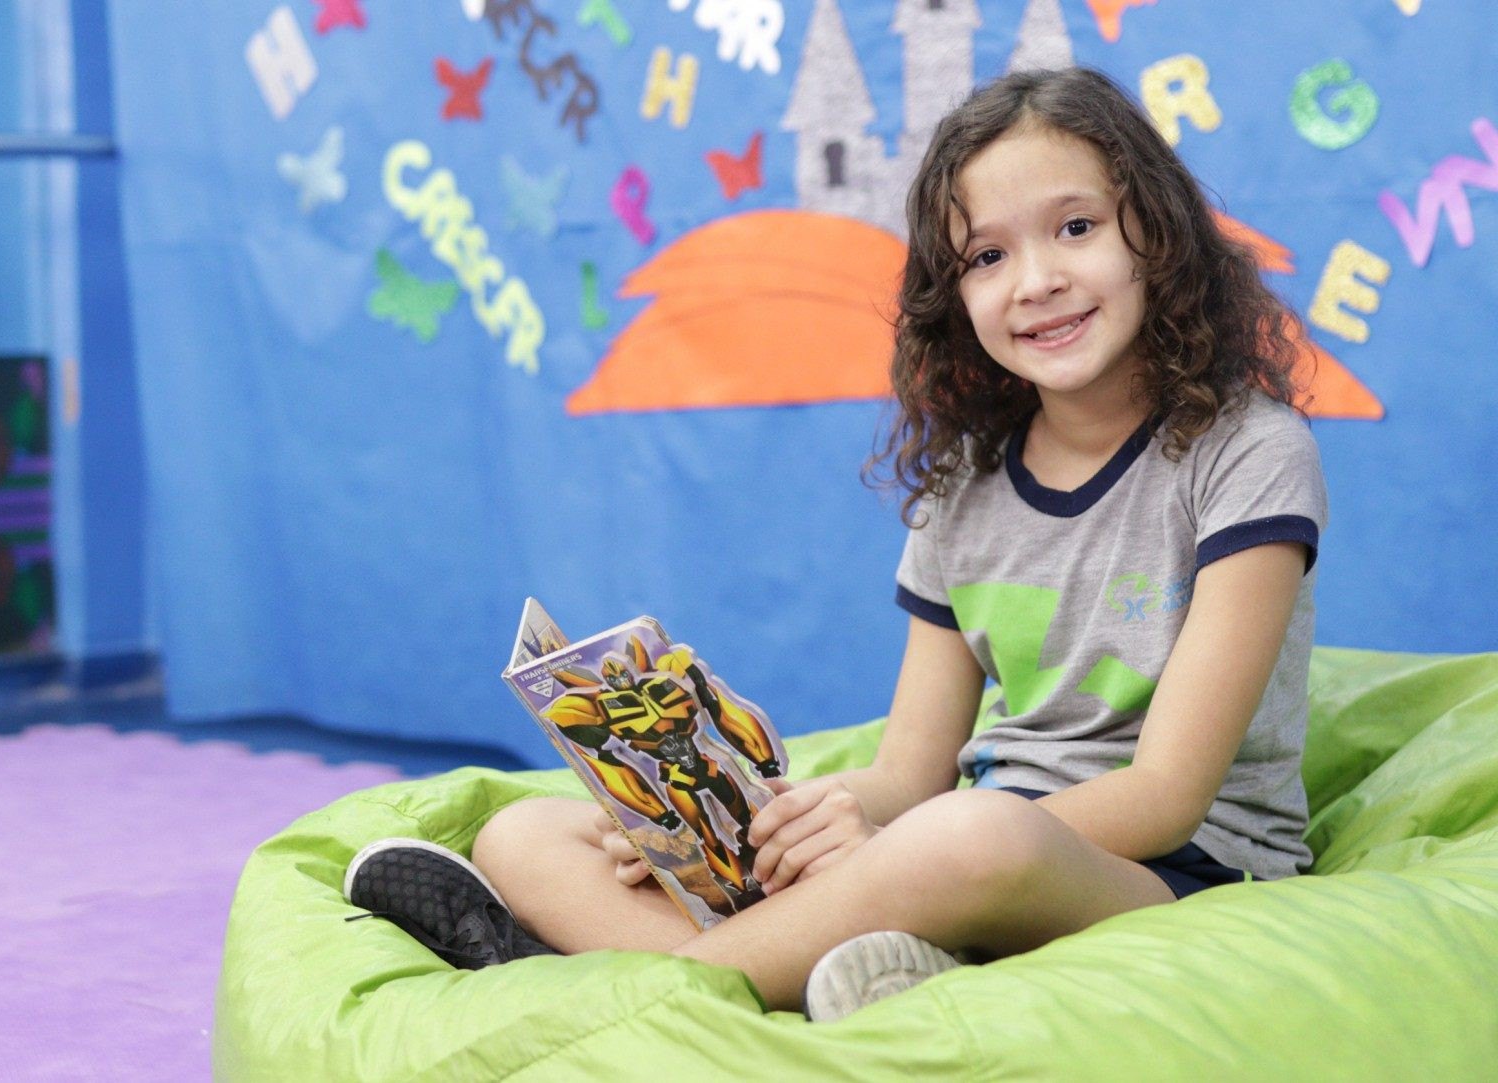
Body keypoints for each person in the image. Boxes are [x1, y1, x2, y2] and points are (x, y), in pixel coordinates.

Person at [343, 65, 1326, 1021]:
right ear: (953, 294)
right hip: (951, 848)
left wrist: (899, 848)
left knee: (975, 838)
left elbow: (1164, 796)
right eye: (986, 257)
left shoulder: (1248, 451)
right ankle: (856, 971)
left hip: (1172, 872)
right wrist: (753, 819)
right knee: (526, 836)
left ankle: (614, 989)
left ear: (1157, 234)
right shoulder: (964, 488)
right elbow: (906, 776)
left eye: (1076, 228)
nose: (1038, 281)